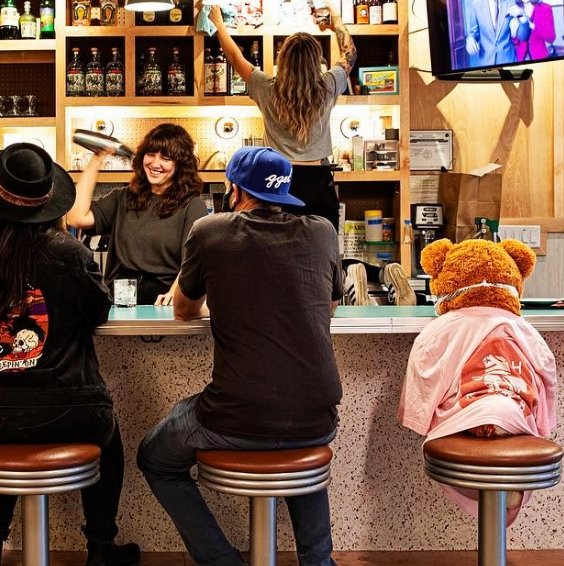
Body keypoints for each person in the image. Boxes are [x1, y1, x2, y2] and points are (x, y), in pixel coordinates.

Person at [0, 143, 139, 566]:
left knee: (4, 416)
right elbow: (97, 312)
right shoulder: (70, 254)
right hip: (66, 412)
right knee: (107, 436)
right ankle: (101, 548)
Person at [137, 147, 343, 566]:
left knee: (154, 457)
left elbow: (183, 310)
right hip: (318, 416)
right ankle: (318, 561)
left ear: (234, 189)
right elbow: (329, 306)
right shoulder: (323, 231)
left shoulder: (209, 230)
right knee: (298, 447)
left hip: (237, 414)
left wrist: (226, 300)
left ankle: (221, 561)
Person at [208, 0, 354, 231]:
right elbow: (351, 54)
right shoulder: (330, 83)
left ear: (281, 60)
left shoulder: (266, 87)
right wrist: (335, 19)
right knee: (323, 252)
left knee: (276, 249)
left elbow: (235, 59)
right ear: (317, 62)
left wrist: (218, 24)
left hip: (277, 180)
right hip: (318, 180)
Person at [66, 123, 207, 306]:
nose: (155, 163)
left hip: (162, 300)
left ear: (180, 164)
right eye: (150, 154)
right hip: (118, 300)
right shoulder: (123, 197)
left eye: (165, 158)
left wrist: (174, 294)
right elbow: (75, 217)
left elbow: (192, 261)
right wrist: (97, 159)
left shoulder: (192, 205)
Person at [465, 0, 518, 66]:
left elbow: (520, 35)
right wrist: (470, 39)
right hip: (486, 62)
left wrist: (520, 18)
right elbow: (473, 32)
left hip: (508, 60)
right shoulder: (475, 5)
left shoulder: (511, 2)